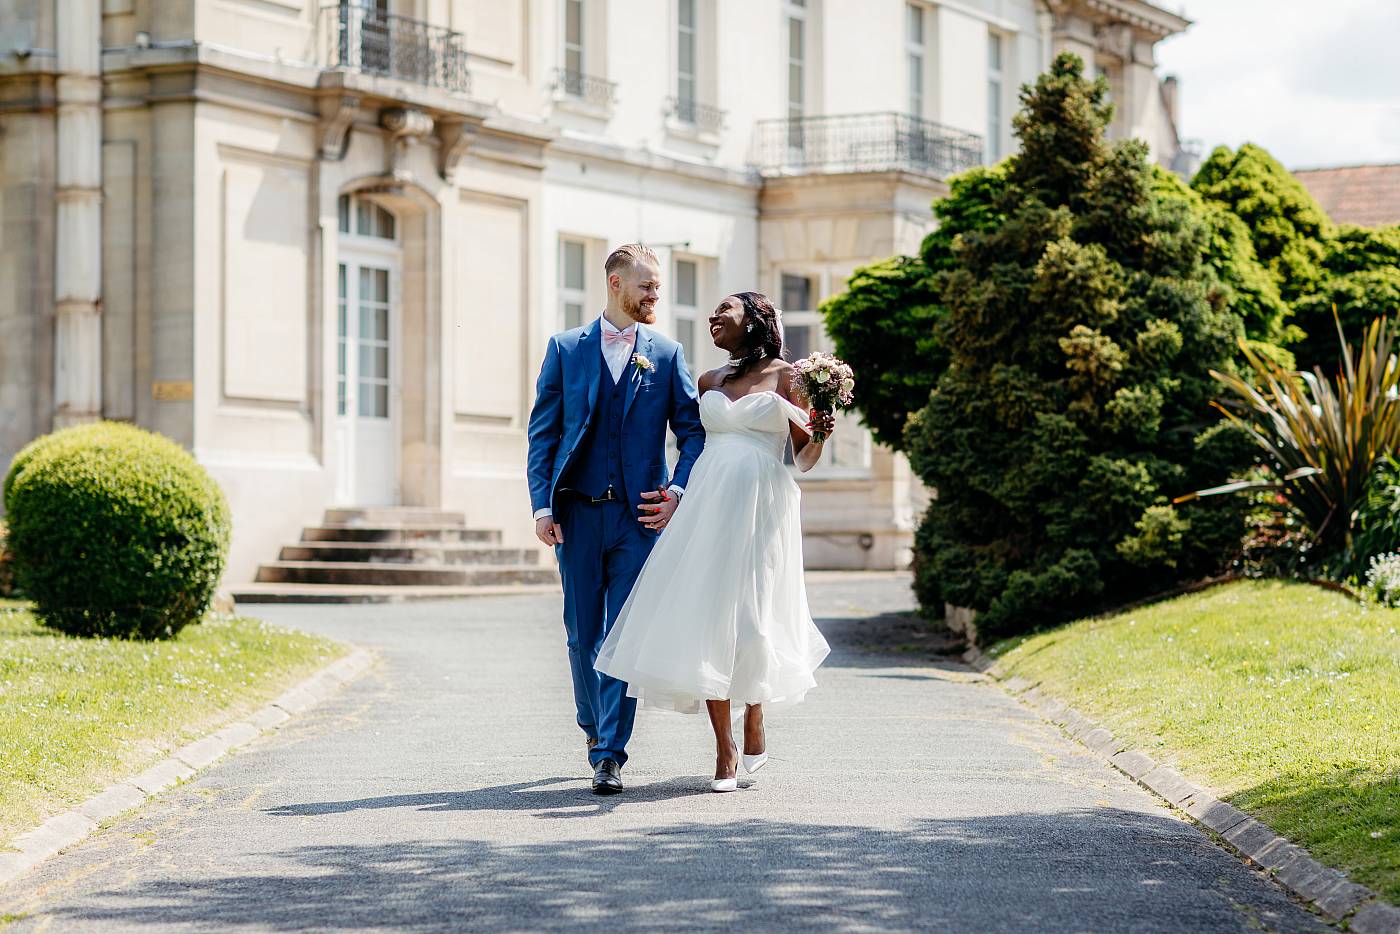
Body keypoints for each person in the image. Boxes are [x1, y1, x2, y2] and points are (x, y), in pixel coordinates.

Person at [595, 291, 834, 792]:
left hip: (762, 505)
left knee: (751, 618)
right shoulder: (709, 380)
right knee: (708, 615)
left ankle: (755, 716)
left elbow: (802, 460)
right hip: (707, 503)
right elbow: (691, 441)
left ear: (756, 320)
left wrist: (820, 433)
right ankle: (724, 750)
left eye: (724, 311)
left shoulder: (789, 378)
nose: (712, 318)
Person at [526, 244, 705, 795]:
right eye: (647, 286)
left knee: (621, 635)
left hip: (638, 519)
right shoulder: (564, 349)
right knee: (581, 635)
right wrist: (541, 504)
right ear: (614, 283)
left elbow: (694, 432)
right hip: (576, 512)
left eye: (657, 287)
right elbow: (544, 432)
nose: (656, 296)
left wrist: (677, 491)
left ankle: (609, 753)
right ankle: (592, 725)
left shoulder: (669, 354)